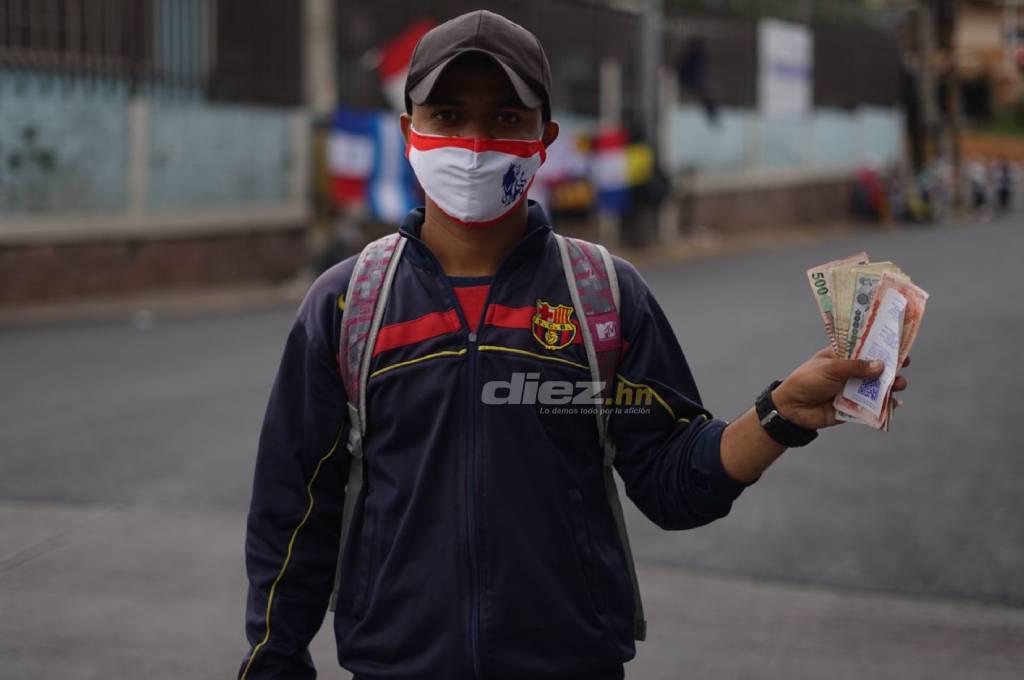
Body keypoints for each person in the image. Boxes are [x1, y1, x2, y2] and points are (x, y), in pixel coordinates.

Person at [238, 11, 909, 680]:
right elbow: (291, 515)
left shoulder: (604, 296)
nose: (474, 143)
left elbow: (674, 483)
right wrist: (273, 663)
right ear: (408, 128)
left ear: (545, 138)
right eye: (448, 115)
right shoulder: (348, 304)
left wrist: (781, 414)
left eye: (505, 118)